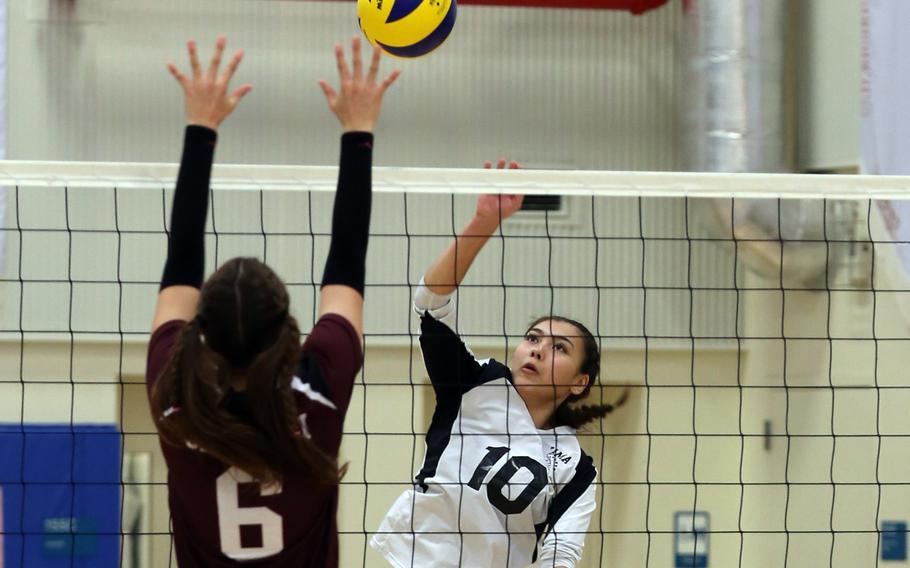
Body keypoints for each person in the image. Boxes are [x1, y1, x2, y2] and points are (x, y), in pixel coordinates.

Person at [145, 35, 400, 567]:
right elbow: (347, 259)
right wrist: (359, 131)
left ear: (202, 332)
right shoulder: (318, 390)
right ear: (288, 327)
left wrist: (201, 128)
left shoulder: (176, 395)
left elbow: (179, 263)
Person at [371, 174, 626, 568]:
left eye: (559, 347)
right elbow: (430, 304)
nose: (538, 350)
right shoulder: (476, 383)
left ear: (580, 383)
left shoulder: (575, 466)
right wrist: (484, 222)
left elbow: (561, 552)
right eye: (534, 338)